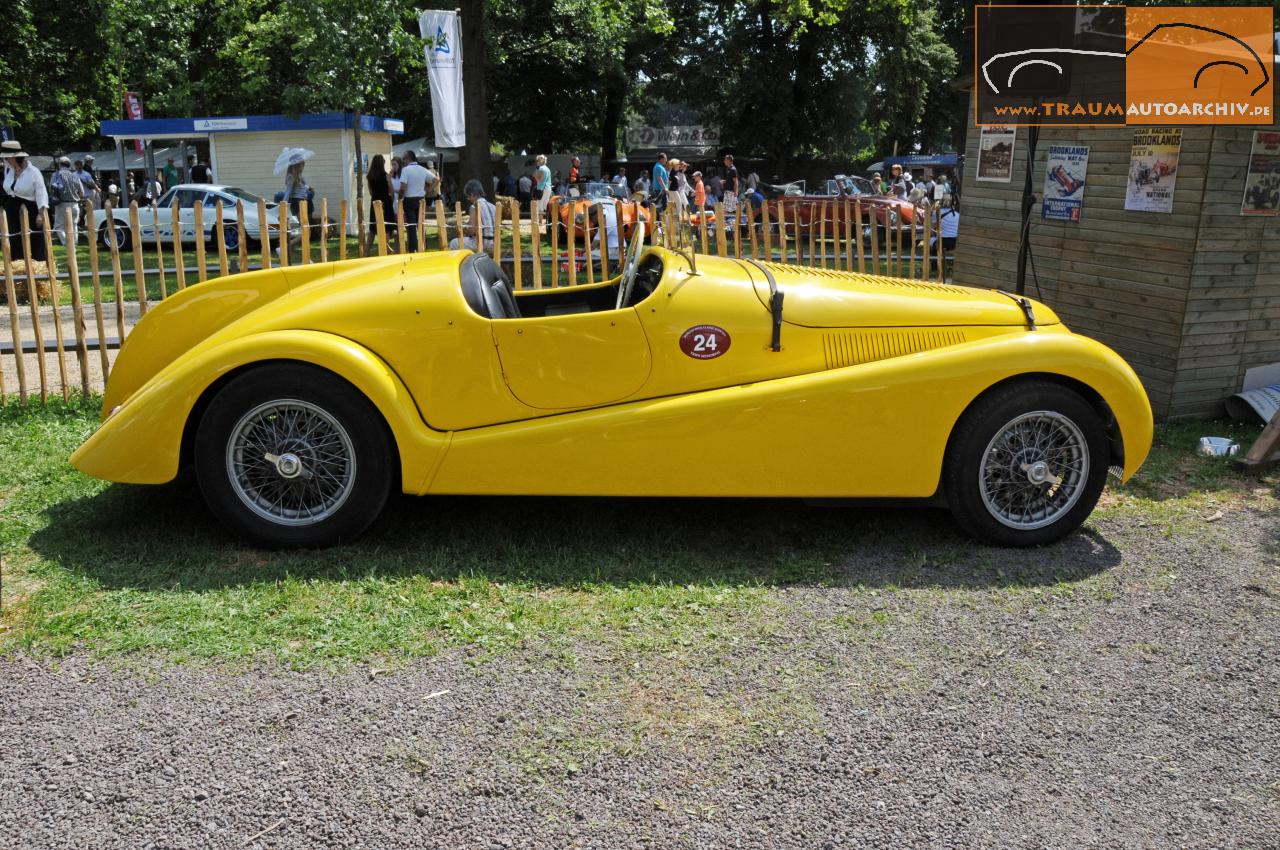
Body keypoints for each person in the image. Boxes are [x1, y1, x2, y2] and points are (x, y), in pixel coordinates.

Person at [2, 141, 49, 263]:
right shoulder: (8, 170)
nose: (5, 159)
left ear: (14, 157)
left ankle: (36, 266)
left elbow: (41, 192)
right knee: (15, 239)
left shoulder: (33, 172)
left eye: (7, 157)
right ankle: (17, 266)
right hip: (12, 209)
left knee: (32, 239)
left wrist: (40, 213)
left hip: (30, 209)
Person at [448, 179, 496, 251]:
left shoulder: (474, 207)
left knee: (454, 243)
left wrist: (463, 229)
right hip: (494, 243)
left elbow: (472, 230)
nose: (468, 199)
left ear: (471, 194)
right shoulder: (493, 207)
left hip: (481, 243)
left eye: (468, 196)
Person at [398, 149, 430, 250]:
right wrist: (427, 191)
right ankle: (423, 246)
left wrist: (399, 198)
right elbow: (436, 180)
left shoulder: (405, 170)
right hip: (421, 199)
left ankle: (413, 249)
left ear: (408, 158)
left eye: (404, 158)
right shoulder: (422, 169)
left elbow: (403, 187)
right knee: (421, 224)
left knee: (411, 226)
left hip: (409, 200)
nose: (403, 161)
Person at [50, 156, 84, 246]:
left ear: (60, 164)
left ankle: (67, 243)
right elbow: (82, 193)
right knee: (74, 225)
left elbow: (51, 189)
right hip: (74, 204)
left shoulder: (55, 175)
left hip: (61, 204)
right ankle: (74, 244)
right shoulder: (75, 176)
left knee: (58, 226)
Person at [366, 154, 394, 243]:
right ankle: (385, 248)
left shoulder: (369, 176)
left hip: (374, 202)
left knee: (373, 228)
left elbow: (370, 192)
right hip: (385, 201)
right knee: (386, 227)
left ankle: (367, 250)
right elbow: (391, 190)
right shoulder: (386, 175)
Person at [533, 154, 552, 232]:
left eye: (537, 160)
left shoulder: (541, 168)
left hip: (541, 188)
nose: (537, 162)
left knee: (540, 204)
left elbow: (538, 178)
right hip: (548, 188)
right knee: (545, 205)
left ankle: (540, 221)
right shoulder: (548, 169)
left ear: (540, 161)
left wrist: (534, 175)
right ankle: (545, 221)